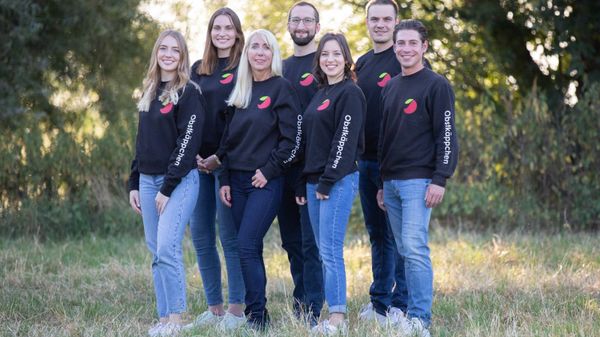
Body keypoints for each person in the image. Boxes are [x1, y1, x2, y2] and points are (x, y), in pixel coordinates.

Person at [378, 19, 459, 337]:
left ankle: (420, 319)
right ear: (394, 47)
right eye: (401, 43)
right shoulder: (392, 86)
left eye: (413, 43)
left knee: (414, 247)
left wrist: (440, 177)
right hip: (392, 183)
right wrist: (382, 183)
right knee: (403, 248)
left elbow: (448, 134)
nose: (406, 49)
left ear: (424, 46)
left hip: (419, 181)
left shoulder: (437, 85)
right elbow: (385, 136)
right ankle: (408, 313)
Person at [217, 29, 301, 330]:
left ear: (273, 53)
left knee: (246, 243)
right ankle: (255, 312)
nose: (260, 52)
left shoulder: (282, 88)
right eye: (255, 47)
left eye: (266, 47)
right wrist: (224, 177)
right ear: (247, 53)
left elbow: (291, 140)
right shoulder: (240, 88)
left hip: (265, 180)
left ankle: (258, 317)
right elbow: (227, 141)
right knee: (247, 248)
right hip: (235, 181)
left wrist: (269, 170)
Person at [127, 30, 205, 337]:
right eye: (163, 48)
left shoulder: (190, 93)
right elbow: (141, 142)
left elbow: (187, 143)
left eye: (175, 49)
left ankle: (176, 319)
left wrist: (167, 187)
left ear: (183, 55)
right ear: (157, 53)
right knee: (155, 250)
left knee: (167, 247)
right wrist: (134, 182)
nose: (169, 54)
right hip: (147, 181)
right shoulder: (149, 89)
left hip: (180, 181)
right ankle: (163, 318)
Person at [296, 33, 365, 335]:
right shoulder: (320, 93)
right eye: (325, 54)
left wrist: (326, 181)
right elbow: (309, 142)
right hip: (314, 183)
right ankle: (331, 311)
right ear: (319, 60)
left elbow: (344, 142)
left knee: (330, 250)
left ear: (346, 58)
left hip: (336, 181)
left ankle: (337, 317)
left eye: (336, 54)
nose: (330, 59)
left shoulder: (350, 93)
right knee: (321, 249)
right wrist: (304, 183)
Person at [184, 8, 246, 332]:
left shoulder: (244, 68)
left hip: (228, 165)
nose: (221, 33)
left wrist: (220, 158)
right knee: (202, 237)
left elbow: (241, 120)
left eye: (228, 28)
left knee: (229, 237)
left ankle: (237, 309)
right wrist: (193, 155)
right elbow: (189, 115)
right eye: (216, 28)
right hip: (197, 165)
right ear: (209, 33)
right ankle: (215, 308)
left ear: (237, 32)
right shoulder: (198, 69)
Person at [354, 0, 406, 325]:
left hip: (396, 165)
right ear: (368, 22)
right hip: (365, 163)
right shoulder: (361, 63)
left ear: (396, 21)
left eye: (387, 19)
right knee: (377, 234)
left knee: (398, 235)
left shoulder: (403, 60)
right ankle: (379, 302)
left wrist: (391, 172)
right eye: (375, 19)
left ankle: (400, 305)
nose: (381, 24)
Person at [279, 1, 323, 324]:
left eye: (308, 20)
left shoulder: (325, 65)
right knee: (292, 242)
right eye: (297, 20)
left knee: (312, 245)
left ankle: (313, 308)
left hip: (311, 172)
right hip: (283, 169)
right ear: (289, 25)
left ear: (317, 27)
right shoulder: (280, 68)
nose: (302, 25)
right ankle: (300, 299)